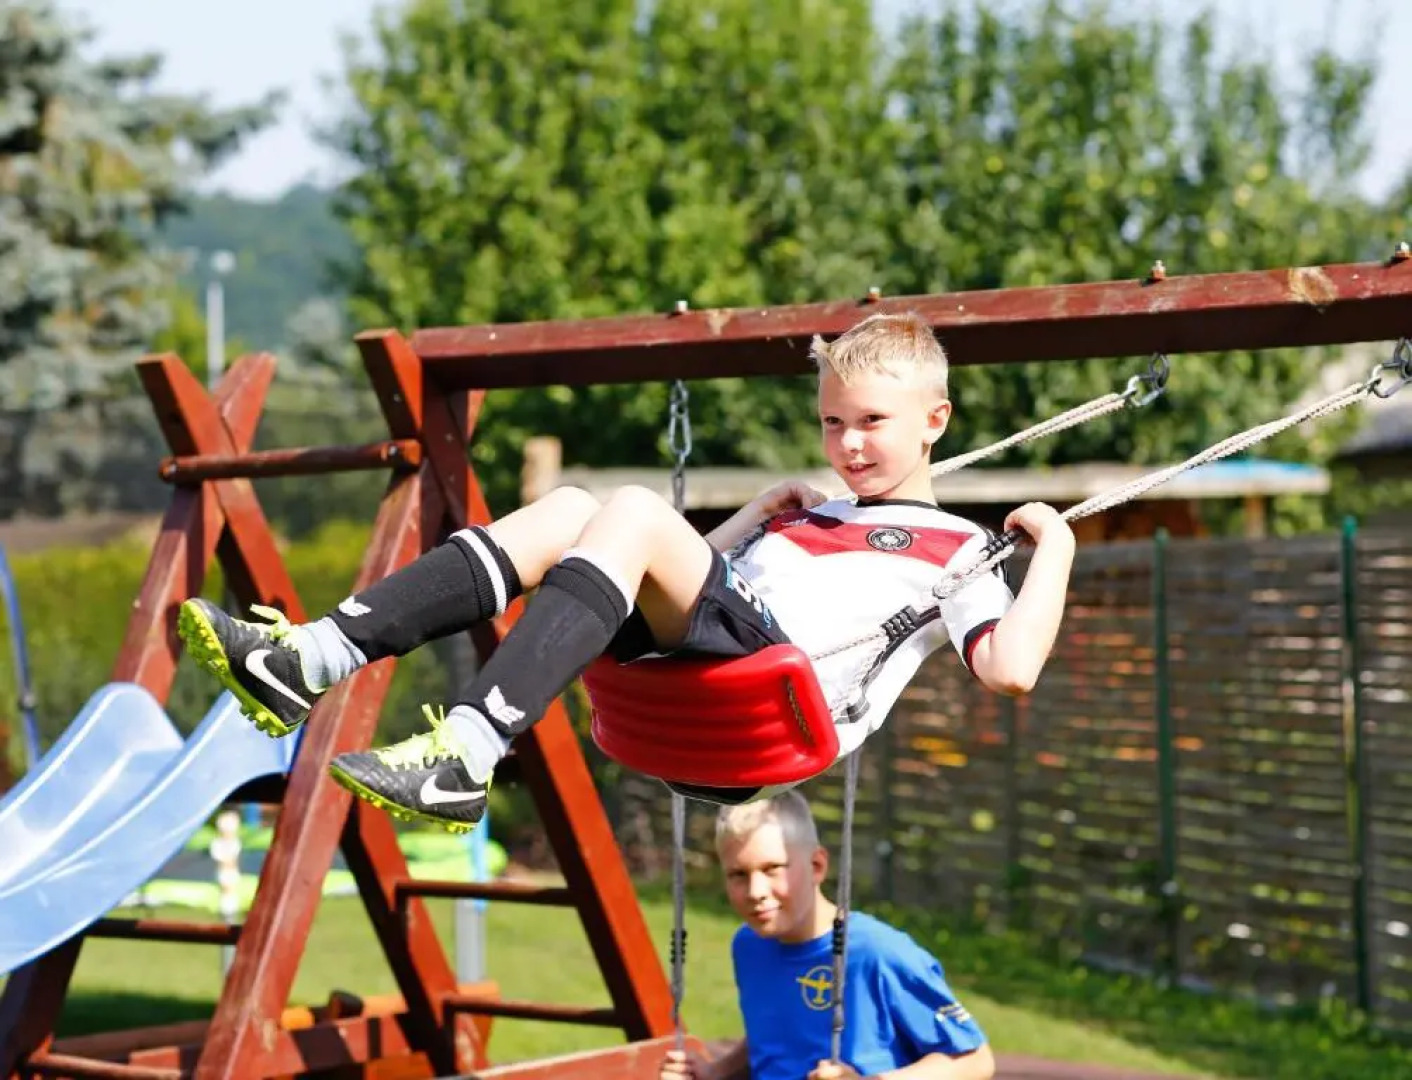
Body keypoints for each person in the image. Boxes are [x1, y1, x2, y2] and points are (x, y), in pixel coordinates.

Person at [177, 311, 1076, 831]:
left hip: (773, 701)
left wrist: (1056, 553)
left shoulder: (957, 547)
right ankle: (312, 658)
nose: (847, 444)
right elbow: (668, 586)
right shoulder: (812, 513)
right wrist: (739, 528)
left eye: (872, 422)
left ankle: (470, 752)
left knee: (637, 507)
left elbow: (1011, 670)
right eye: (833, 422)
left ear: (936, 420)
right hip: (709, 661)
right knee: (575, 509)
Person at [660, 791, 996, 1080]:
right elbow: (773, 1035)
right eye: (738, 874)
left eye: (772, 869)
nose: (756, 891)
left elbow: (975, 1059)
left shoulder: (876, 952)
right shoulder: (749, 945)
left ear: (817, 865)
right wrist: (715, 1071)